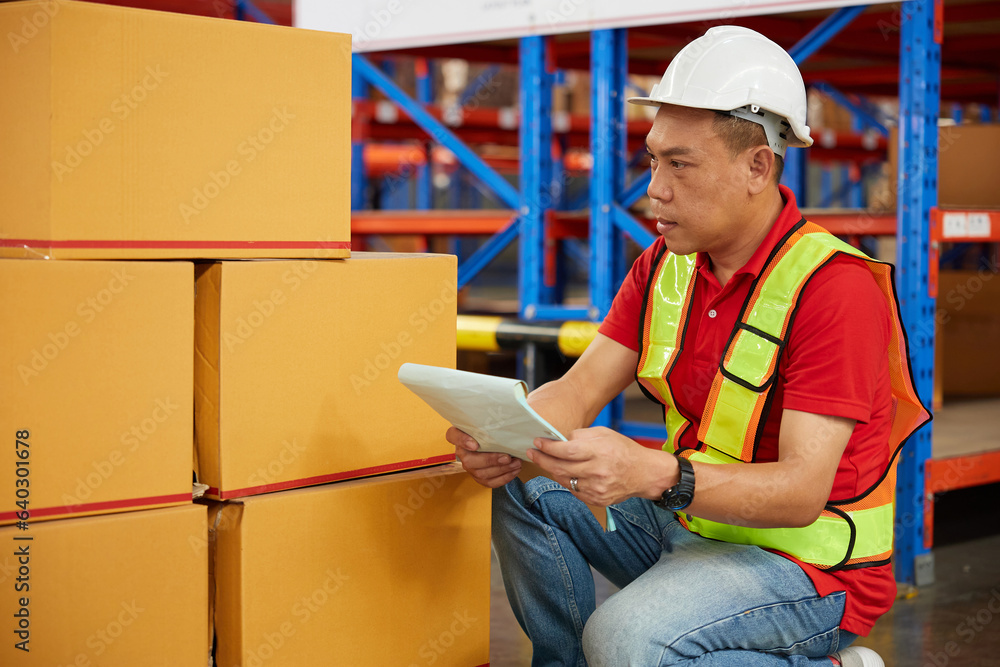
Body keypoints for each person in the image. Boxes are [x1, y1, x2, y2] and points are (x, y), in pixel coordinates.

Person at [449, 25, 929, 667]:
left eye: (681, 164)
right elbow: (579, 389)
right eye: (653, 160)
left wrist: (651, 473)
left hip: (807, 569)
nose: (655, 188)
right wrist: (506, 437)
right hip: (692, 523)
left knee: (625, 641)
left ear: (758, 166)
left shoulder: (833, 289)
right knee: (525, 488)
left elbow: (801, 491)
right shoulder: (666, 265)